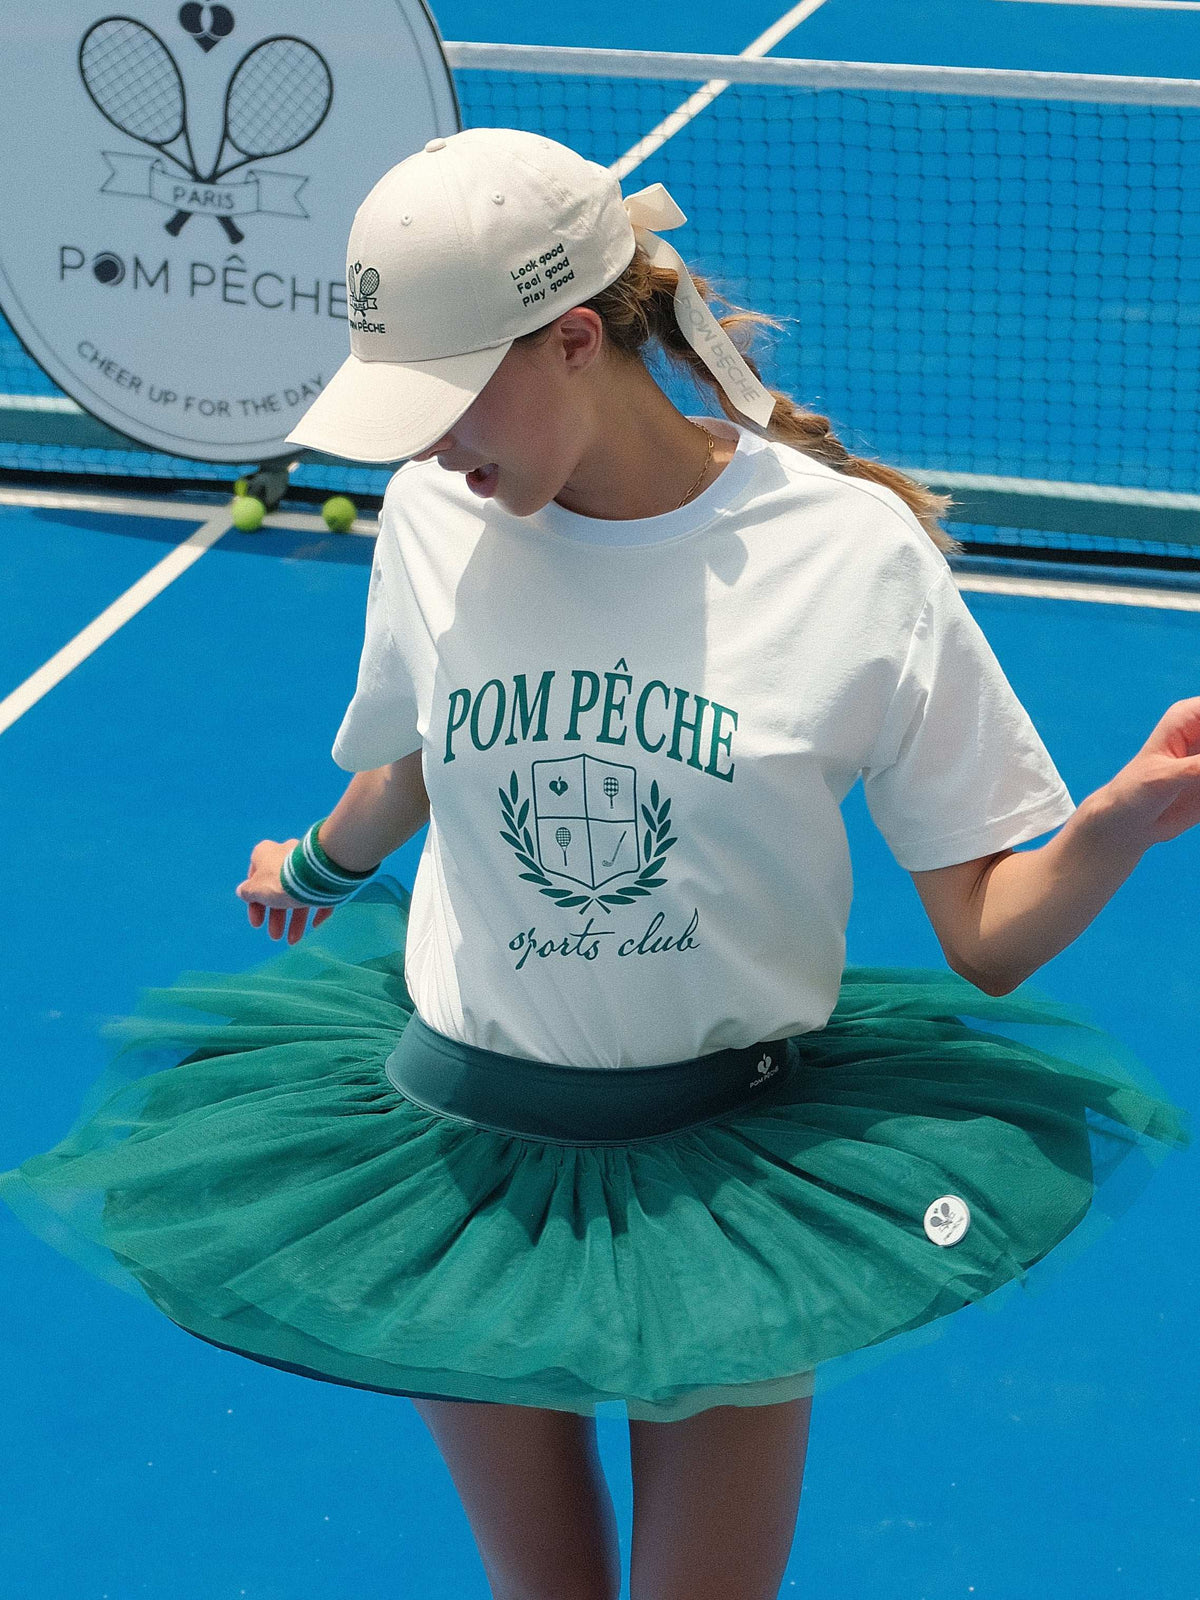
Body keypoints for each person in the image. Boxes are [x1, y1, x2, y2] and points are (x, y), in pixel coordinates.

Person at [1, 128, 1193, 1600]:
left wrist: (1122, 817)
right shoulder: (441, 511)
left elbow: (989, 937)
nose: (427, 445)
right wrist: (315, 859)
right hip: (455, 1153)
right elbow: (423, 752)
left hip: (734, 1184)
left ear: (574, 340)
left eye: (445, 401)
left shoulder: (851, 561)